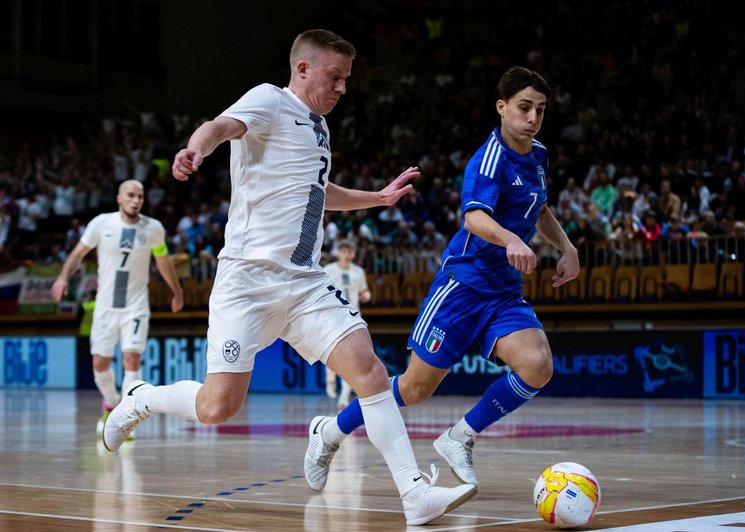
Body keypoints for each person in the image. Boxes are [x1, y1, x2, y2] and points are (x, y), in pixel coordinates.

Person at [100, 29, 475, 526]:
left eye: (347, 80)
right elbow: (219, 126)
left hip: (304, 283)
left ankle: (413, 495)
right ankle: (141, 399)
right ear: (303, 69)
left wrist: (377, 199)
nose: (342, 88)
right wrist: (196, 150)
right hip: (247, 283)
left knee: (371, 372)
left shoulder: (319, 129)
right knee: (217, 408)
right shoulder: (269, 101)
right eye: (335, 77)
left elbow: (320, 190)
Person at [305, 66, 579, 488]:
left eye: (540, 110)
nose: (533, 118)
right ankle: (331, 431)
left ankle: (459, 437)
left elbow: (539, 209)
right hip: (462, 288)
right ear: (501, 107)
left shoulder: (538, 155)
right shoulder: (489, 158)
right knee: (413, 389)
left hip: (504, 292)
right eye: (524, 107)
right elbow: (473, 218)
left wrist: (568, 247)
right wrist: (510, 240)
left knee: (538, 365)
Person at [51, 180, 184, 435]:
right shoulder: (101, 223)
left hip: (136, 306)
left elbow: (163, 261)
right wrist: (62, 276)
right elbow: (78, 253)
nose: (136, 200)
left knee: (131, 356)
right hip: (105, 306)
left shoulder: (153, 229)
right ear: (119, 199)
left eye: (140, 197)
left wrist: (176, 292)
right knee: (100, 363)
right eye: (131, 196)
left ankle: (127, 419)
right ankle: (112, 404)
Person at [322, 239, 371, 410]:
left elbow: (365, 291)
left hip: (352, 318)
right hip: (332, 317)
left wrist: (366, 296)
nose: (347, 255)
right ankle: (330, 381)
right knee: (331, 355)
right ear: (339, 253)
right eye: (344, 252)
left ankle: (344, 397)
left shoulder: (358, 271)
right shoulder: (329, 271)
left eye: (350, 252)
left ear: (353, 254)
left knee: (351, 359)